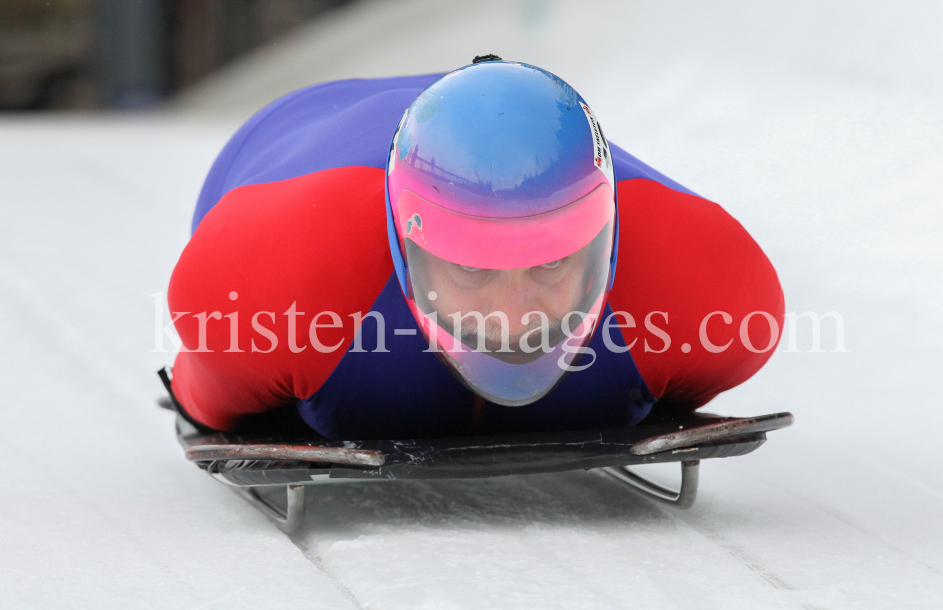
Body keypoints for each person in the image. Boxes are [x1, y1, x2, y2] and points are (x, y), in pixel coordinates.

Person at [166, 57, 784, 440]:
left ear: (606, 245)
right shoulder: (264, 286)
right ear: (406, 249)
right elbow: (208, 396)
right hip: (297, 135)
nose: (515, 319)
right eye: (470, 268)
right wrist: (215, 397)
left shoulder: (714, 295)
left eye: (549, 264)